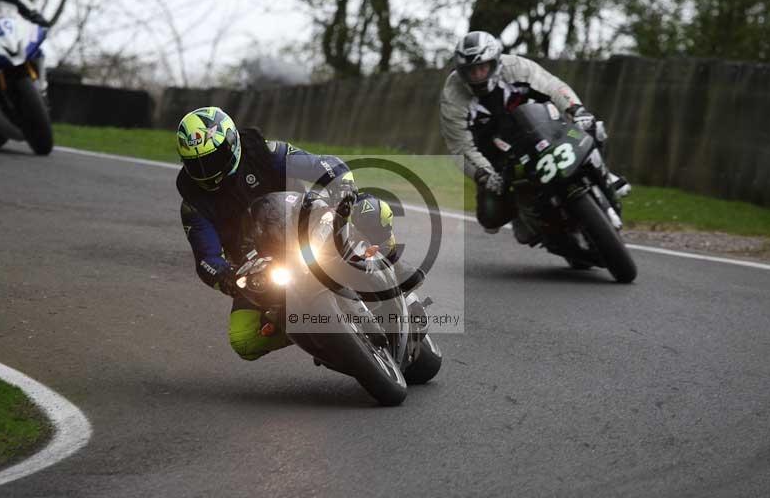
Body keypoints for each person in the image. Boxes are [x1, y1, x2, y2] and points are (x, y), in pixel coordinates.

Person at [176, 106, 409, 361]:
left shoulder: (263, 152)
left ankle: (392, 261)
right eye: (196, 164)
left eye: (211, 159)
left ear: (232, 143)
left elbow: (324, 165)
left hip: (308, 226)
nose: (207, 170)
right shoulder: (193, 203)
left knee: (370, 209)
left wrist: (341, 186)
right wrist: (226, 276)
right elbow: (206, 259)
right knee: (243, 338)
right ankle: (324, 336)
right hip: (261, 266)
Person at [439, 30, 629, 240]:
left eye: (482, 68)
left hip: (538, 131)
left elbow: (553, 87)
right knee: (490, 218)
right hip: (493, 155)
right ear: (460, 71)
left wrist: (576, 110)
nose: (477, 76)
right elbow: (459, 147)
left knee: (594, 128)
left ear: (495, 62)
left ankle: (603, 173)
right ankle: (524, 216)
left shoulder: (516, 67)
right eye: (470, 71)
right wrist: (484, 175)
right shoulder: (453, 96)